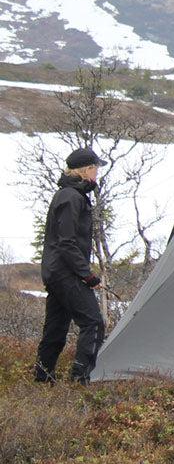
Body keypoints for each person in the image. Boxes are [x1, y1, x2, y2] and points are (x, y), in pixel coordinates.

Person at [33, 146, 108, 384]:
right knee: (93, 323)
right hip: (66, 273)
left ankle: (42, 380)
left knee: (56, 328)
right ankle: (79, 381)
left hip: (57, 272)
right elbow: (66, 242)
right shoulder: (70, 196)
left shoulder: (71, 194)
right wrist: (87, 275)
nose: (97, 174)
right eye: (96, 169)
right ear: (86, 170)